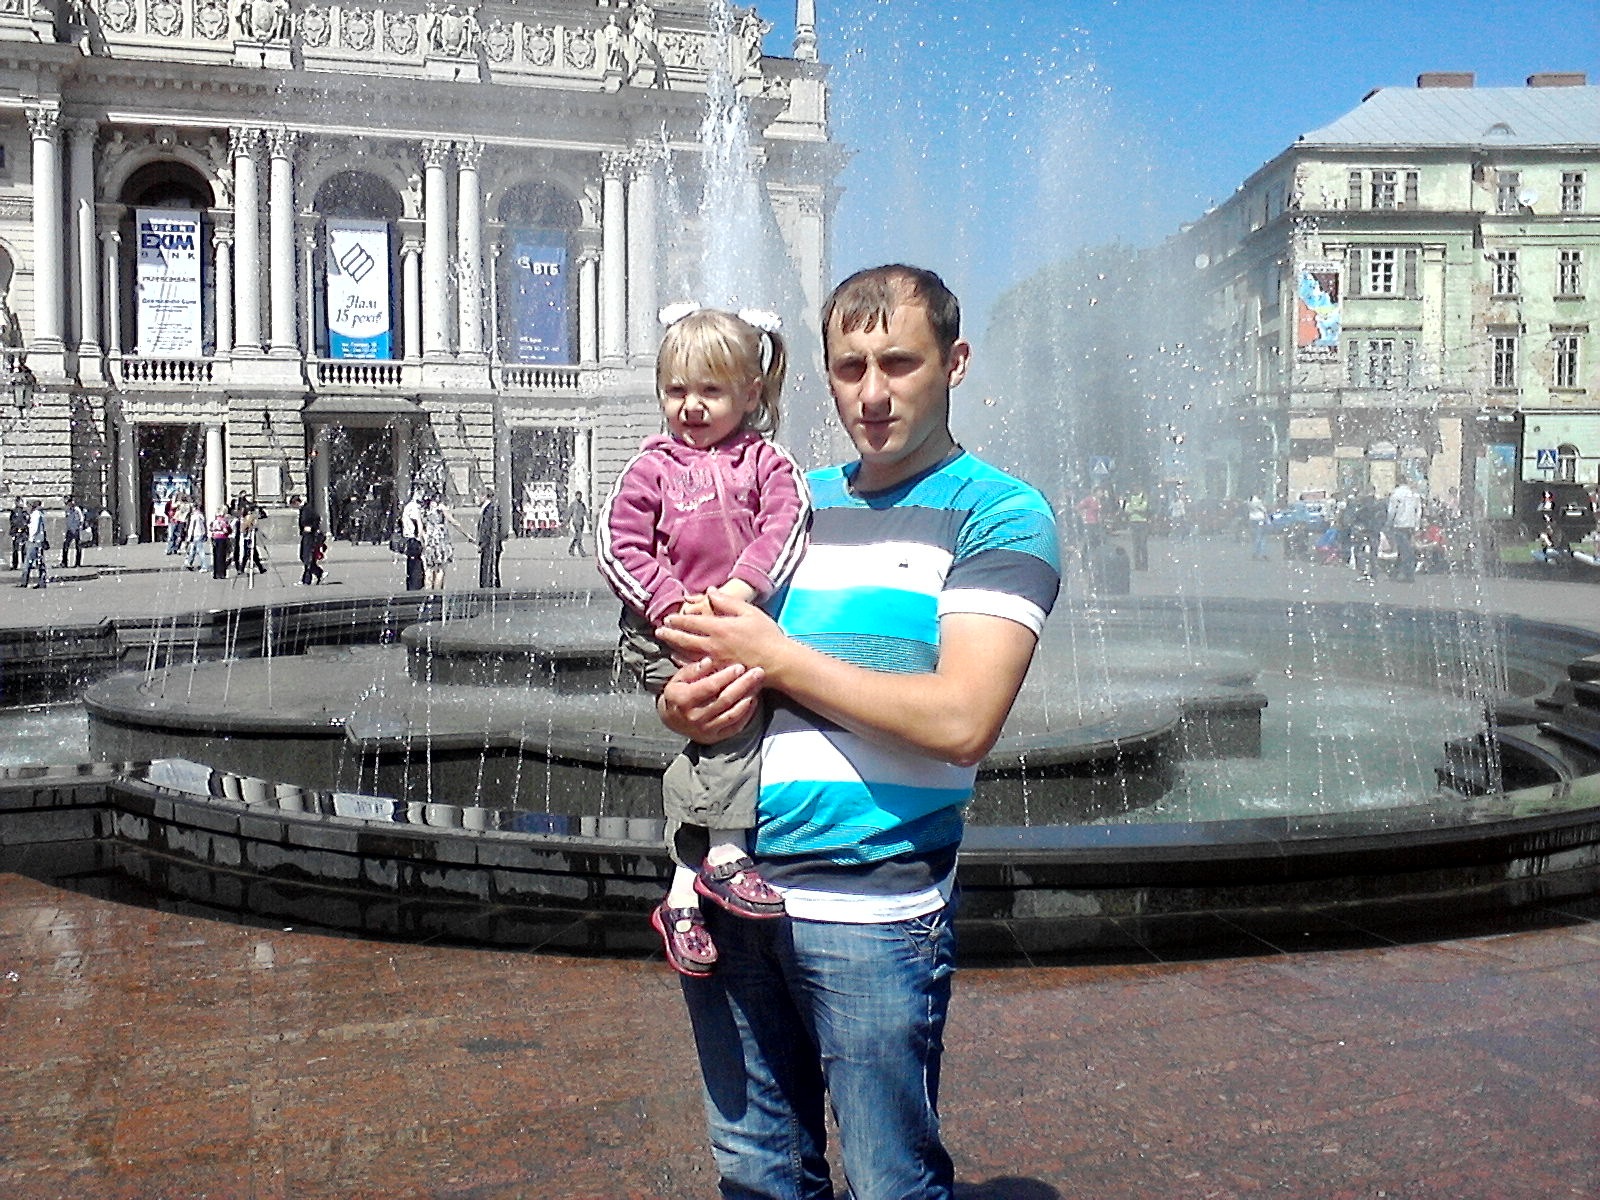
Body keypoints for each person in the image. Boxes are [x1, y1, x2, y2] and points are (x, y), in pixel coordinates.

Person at [654, 266, 1060, 1199]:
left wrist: (777, 657)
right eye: (850, 368)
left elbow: (963, 720)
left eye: (899, 363)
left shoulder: (1000, 512)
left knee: (889, 1181)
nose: (871, 394)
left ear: (955, 362)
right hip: (730, 897)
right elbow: (709, 650)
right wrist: (682, 700)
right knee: (757, 1175)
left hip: (871, 910)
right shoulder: (790, 501)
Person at [597, 306, 810, 976]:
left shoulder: (768, 462)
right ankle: (724, 856)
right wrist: (672, 604)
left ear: (751, 393)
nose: (690, 406)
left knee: (720, 731)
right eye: (676, 390)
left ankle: (684, 896)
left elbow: (787, 525)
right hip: (663, 629)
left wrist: (740, 592)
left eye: (710, 391)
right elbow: (618, 544)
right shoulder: (650, 466)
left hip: (731, 621)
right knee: (730, 718)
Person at [421, 493, 470, 590]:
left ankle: (428, 594)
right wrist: (467, 534)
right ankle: (437, 594)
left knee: (429, 569)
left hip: (429, 541)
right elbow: (453, 522)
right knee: (440, 569)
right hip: (440, 541)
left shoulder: (425, 508)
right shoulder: (441, 507)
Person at [1387, 478, 1423, 582]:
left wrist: (1389, 522)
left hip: (1399, 524)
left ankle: (1408, 574)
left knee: (1404, 550)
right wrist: (1416, 525)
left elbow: (1391, 510)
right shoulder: (1414, 494)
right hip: (1410, 525)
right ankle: (1394, 573)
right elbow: (1418, 511)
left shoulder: (1396, 494)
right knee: (1404, 549)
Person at [293, 493, 325, 586]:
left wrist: (311, 527)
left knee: (307, 557)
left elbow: (317, 518)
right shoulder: (303, 509)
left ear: (297, 502)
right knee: (304, 557)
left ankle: (307, 580)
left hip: (310, 536)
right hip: (305, 535)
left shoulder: (308, 509)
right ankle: (318, 573)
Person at [399, 491, 426, 591]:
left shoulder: (408, 506)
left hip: (409, 538)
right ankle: (415, 587)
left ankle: (412, 585)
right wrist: (421, 537)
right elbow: (418, 523)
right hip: (413, 539)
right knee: (416, 564)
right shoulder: (413, 507)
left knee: (412, 563)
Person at [18, 498, 48, 588]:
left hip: (34, 541)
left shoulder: (35, 514)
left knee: (28, 562)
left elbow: (34, 528)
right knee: (40, 562)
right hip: (40, 540)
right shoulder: (41, 514)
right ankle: (42, 581)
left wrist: (30, 538)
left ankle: (24, 582)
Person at [1124, 484, 1151, 570]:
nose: (1136, 489)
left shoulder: (1144, 496)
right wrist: (1137, 508)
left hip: (1143, 523)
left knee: (1143, 545)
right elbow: (1126, 509)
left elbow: (1144, 508)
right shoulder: (1129, 497)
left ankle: (1145, 565)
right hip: (1133, 523)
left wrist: (1133, 508)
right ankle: (1137, 565)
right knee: (1135, 546)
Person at [208, 506, 235, 580]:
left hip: (214, 538)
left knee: (215, 556)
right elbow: (227, 530)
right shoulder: (224, 521)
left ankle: (215, 573)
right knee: (222, 556)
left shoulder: (214, 521)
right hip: (222, 538)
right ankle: (222, 573)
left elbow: (210, 529)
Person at [59, 495, 85, 569]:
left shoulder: (76, 509)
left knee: (78, 547)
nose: (68, 504)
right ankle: (64, 562)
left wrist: (79, 527)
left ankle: (77, 563)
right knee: (65, 546)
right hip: (70, 530)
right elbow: (67, 520)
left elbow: (81, 519)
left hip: (76, 530)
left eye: (68, 502)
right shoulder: (67, 510)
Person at [562, 492, 588, 557]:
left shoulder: (582, 504)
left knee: (578, 536)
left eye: (580, 496)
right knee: (579, 537)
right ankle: (581, 552)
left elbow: (585, 512)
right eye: (578, 496)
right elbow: (569, 513)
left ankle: (571, 549)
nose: (579, 497)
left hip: (581, 522)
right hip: (576, 522)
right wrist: (567, 522)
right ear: (576, 496)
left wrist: (588, 519)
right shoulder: (573, 504)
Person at [10, 496, 29, 570]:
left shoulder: (24, 511)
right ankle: (15, 564)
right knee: (16, 549)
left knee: (23, 549)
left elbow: (26, 521)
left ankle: (24, 564)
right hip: (17, 531)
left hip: (22, 531)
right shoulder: (14, 511)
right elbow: (13, 522)